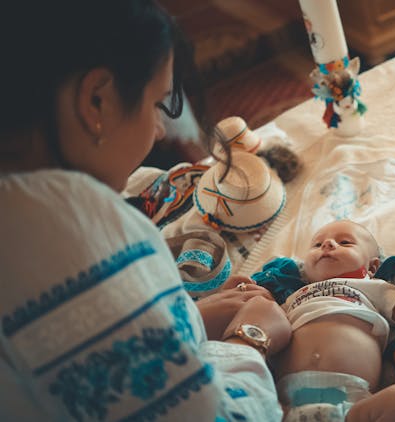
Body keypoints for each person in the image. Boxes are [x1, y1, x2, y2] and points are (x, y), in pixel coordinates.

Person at [0, 1, 291, 420]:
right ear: (96, 100)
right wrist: (249, 343)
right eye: (158, 104)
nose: (159, 131)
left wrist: (184, 320)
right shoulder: (64, 231)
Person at [272, 220, 395, 421]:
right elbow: (268, 327)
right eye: (317, 245)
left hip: (352, 407)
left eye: (345, 242)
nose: (327, 244)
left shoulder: (374, 287)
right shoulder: (294, 296)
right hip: (282, 405)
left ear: (372, 267)